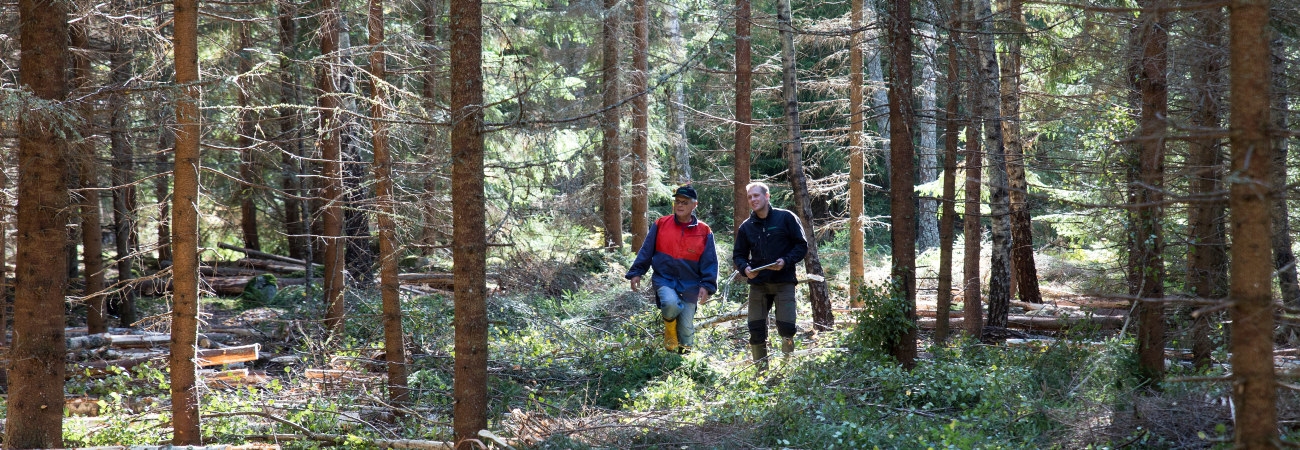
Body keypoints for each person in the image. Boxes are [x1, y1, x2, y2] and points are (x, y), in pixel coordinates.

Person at [626, 185, 719, 354]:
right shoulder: (661, 224)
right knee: (669, 304)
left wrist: (707, 286)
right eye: (677, 201)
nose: (680, 205)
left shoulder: (704, 231)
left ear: (694, 205)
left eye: (684, 202)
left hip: (690, 284)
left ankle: (680, 361)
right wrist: (637, 272)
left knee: (686, 329)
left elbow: (710, 261)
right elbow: (647, 249)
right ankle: (669, 330)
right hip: (665, 278)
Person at [732, 182, 808, 371]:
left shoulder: (786, 218)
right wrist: (745, 269)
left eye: (756, 196)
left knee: (787, 328)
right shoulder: (746, 227)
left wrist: (786, 260)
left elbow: (801, 245)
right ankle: (761, 371)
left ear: (767, 197)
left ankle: (786, 368)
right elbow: (738, 255)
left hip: (784, 282)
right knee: (756, 330)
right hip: (758, 285)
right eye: (750, 197)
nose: (753, 200)